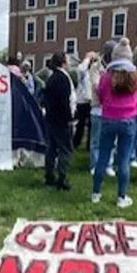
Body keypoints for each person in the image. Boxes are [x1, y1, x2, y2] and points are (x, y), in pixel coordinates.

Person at [91, 38, 137, 208]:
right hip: (129, 121)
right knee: (124, 159)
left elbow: (101, 95)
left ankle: (96, 193)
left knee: (103, 157)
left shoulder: (106, 77)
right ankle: (121, 197)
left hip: (108, 119)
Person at [43, 52, 76, 191]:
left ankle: (49, 176)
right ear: (63, 62)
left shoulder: (51, 78)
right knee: (65, 150)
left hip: (50, 118)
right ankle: (62, 179)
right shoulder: (63, 78)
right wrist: (69, 119)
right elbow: (65, 102)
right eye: (67, 60)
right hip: (61, 120)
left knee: (51, 148)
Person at [89, 42, 116, 177]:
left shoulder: (116, 68)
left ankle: (108, 164)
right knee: (96, 139)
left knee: (111, 139)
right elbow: (96, 85)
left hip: (112, 109)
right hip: (98, 108)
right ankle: (95, 164)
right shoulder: (96, 67)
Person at [73, 52, 95, 149]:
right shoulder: (83, 70)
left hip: (92, 100)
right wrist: (87, 58)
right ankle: (76, 142)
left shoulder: (94, 70)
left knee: (91, 125)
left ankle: (89, 145)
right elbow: (81, 69)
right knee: (80, 124)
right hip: (82, 100)